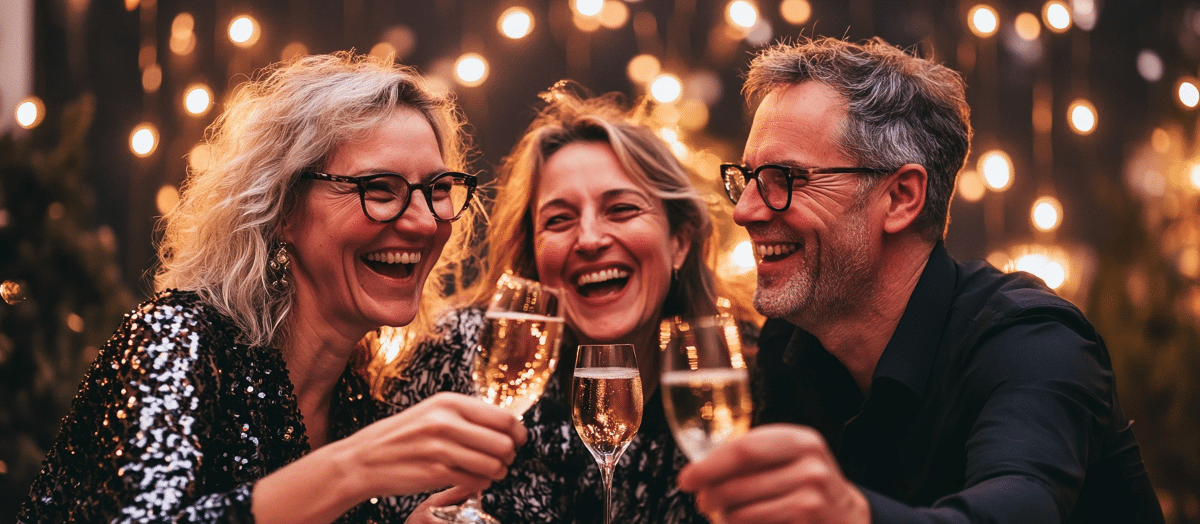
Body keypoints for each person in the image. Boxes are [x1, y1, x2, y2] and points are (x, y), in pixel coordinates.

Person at [17, 52, 527, 524]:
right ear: (282, 211)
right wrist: (350, 469)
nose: (422, 222)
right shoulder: (179, 340)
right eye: (378, 189)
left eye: (437, 190)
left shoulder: (362, 399)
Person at [676, 36, 1165, 524]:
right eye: (747, 178)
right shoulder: (791, 347)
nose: (743, 210)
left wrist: (853, 515)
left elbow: (1021, 509)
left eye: (785, 177)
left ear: (901, 197)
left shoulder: (1033, 341)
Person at [392, 83, 743, 523]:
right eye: (559, 219)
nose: (591, 239)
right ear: (535, 254)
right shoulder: (459, 354)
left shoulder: (738, 375)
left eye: (621, 209)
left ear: (679, 241)